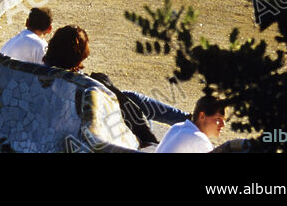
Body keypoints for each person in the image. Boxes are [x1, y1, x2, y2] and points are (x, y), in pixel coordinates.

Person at [43, 25, 188, 148]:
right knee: (130, 101)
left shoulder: (42, 75)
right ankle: (187, 120)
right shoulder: (85, 85)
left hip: (69, 134)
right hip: (89, 138)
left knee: (129, 98)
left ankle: (186, 119)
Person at [156, 95, 227, 153]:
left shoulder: (177, 127)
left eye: (224, 120)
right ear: (202, 116)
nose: (223, 124)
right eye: (218, 119)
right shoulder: (199, 139)